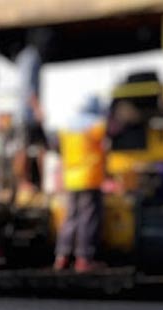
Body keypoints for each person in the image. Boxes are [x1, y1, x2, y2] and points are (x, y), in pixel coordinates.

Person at [54, 96, 107, 272]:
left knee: (70, 218)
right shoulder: (96, 125)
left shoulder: (66, 127)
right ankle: (84, 259)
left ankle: (62, 257)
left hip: (71, 178)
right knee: (88, 218)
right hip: (89, 178)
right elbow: (111, 134)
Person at [14, 29, 50, 190]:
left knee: (36, 147)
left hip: (26, 112)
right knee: (26, 148)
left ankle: (39, 182)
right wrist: (37, 109)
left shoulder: (24, 57)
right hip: (27, 114)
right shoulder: (32, 57)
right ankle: (24, 182)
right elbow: (29, 89)